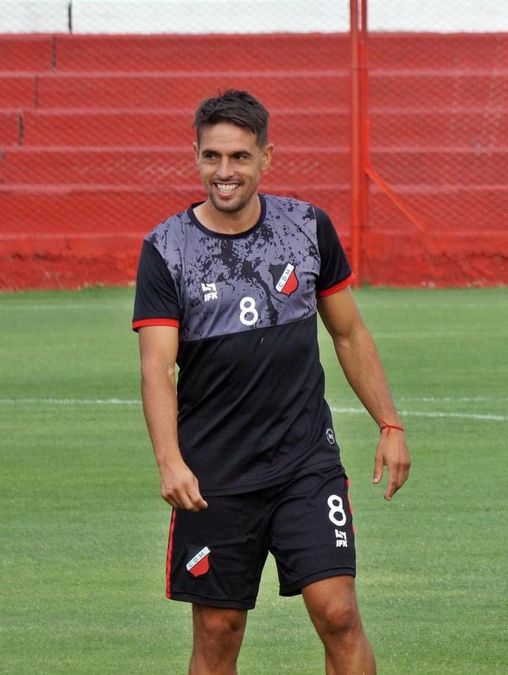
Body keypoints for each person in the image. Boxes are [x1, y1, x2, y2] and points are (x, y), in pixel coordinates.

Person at [133, 89, 410, 675]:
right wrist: (169, 460)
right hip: (214, 473)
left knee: (337, 613)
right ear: (196, 157)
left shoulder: (307, 228)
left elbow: (350, 334)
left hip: (303, 460)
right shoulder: (167, 250)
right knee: (218, 631)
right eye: (212, 157)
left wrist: (389, 422)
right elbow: (157, 367)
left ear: (266, 157)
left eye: (239, 157)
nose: (224, 172)